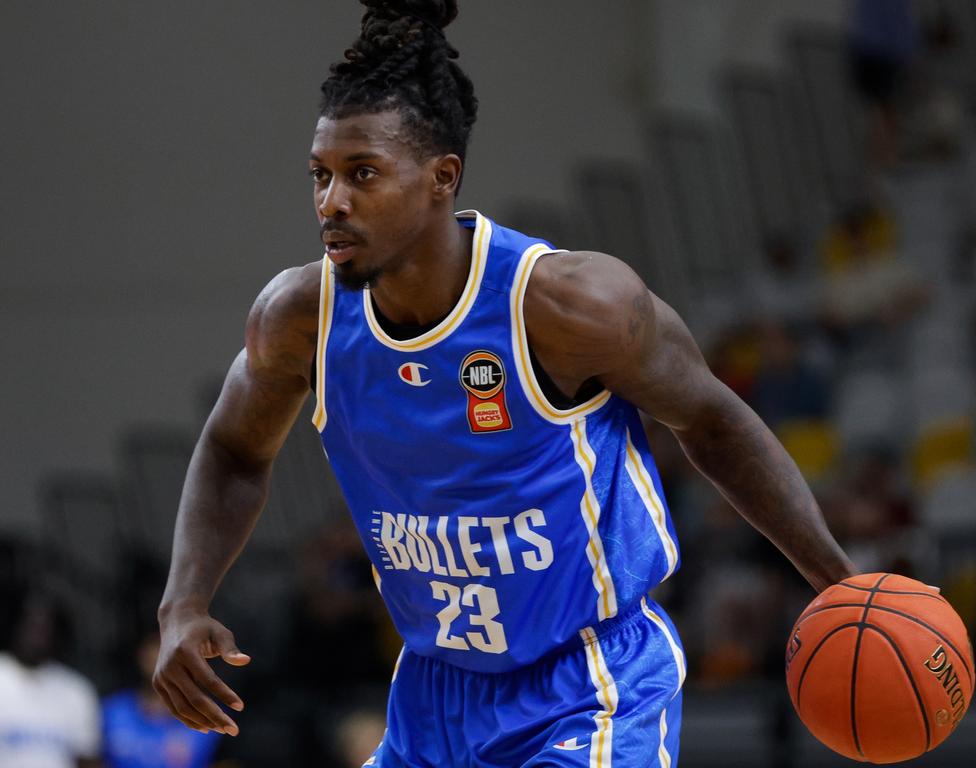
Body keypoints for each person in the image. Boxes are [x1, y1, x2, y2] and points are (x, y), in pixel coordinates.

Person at [153, 2, 857, 765]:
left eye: (362, 174)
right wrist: (183, 604)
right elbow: (232, 449)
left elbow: (713, 421)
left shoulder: (566, 305)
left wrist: (835, 582)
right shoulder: (299, 318)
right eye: (320, 176)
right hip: (434, 695)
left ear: (440, 179)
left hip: (584, 683)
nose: (332, 202)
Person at [0, 588, 102, 768]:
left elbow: (87, 759)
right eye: (30, 625)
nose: (37, 636)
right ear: (15, 625)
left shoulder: (76, 690)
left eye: (44, 628)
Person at [102, 632, 222, 768]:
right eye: (156, 646)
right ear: (141, 655)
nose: (163, 655)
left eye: (173, 648)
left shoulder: (210, 716)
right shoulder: (112, 710)